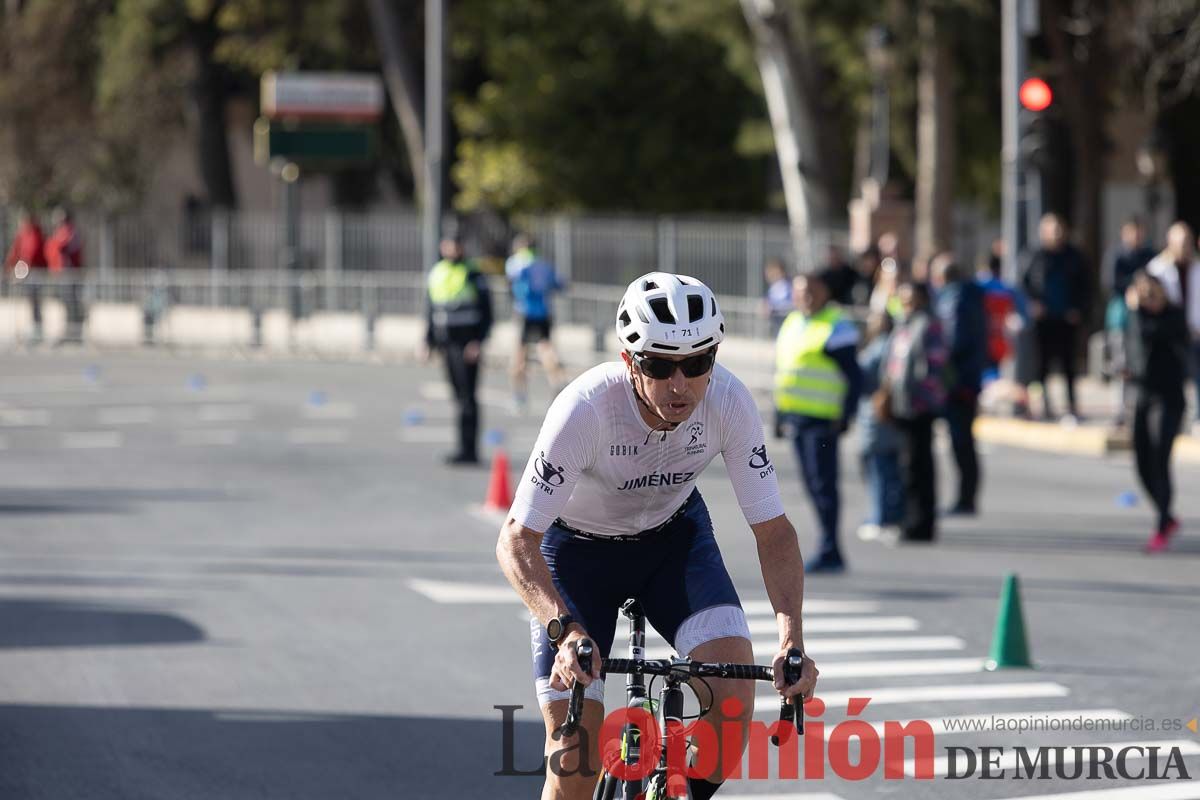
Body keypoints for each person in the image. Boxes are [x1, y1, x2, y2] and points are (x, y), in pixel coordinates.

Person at [496, 272, 819, 800]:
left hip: (673, 543)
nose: (680, 384)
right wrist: (563, 629)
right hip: (576, 555)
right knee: (574, 752)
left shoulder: (730, 403)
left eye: (697, 364)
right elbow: (515, 540)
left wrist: (791, 640)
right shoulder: (585, 409)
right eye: (659, 364)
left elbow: (774, 532)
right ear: (629, 360)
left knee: (733, 697)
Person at [774, 270, 862, 573]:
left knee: (824, 487)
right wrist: (779, 414)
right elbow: (786, 370)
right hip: (797, 416)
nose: (805, 297)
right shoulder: (793, 322)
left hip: (822, 419)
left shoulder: (836, 326)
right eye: (799, 292)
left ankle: (831, 548)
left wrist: (847, 414)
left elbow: (854, 376)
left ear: (825, 292)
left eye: (811, 291)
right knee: (812, 486)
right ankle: (827, 545)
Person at [1124, 272, 1190, 553]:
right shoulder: (1136, 318)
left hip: (1168, 398)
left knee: (1160, 459)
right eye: (1143, 293)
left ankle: (1162, 524)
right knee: (1142, 463)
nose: (1149, 298)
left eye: (1153, 292)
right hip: (1142, 396)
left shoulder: (1173, 317)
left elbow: (1158, 337)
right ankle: (1168, 515)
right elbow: (1133, 346)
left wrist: (1140, 311)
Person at [880, 281, 947, 542]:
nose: (907, 305)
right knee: (906, 467)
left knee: (919, 468)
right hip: (901, 405)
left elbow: (932, 367)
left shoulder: (928, 325)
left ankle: (921, 524)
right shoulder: (902, 326)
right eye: (903, 300)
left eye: (912, 300)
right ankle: (908, 519)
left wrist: (918, 396)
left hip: (918, 407)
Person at [422, 235, 492, 465]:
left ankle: (470, 450)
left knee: (467, 397)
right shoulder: (438, 272)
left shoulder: (472, 272)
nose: (451, 249)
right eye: (447, 245)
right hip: (447, 344)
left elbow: (486, 310)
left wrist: (478, 341)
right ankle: (462, 447)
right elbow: (432, 310)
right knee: (458, 396)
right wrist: (428, 341)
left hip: (466, 345)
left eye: (455, 245)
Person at [931, 253, 988, 515]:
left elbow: (953, 342)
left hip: (959, 382)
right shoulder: (967, 296)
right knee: (962, 440)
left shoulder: (955, 300)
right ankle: (966, 496)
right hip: (966, 379)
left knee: (961, 440)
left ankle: (966, 498)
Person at [1021, 213, 1091, 422]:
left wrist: (1078, 309)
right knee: (1040, 365)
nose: (1056, 235)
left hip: (1066, 318)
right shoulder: (1034, 255)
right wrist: (1033, 304)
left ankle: (1071, 404)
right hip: (1043, 320)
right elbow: (1023, 284)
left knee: (1069, 364)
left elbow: (1085, 286)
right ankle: (1042, 403)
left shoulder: (1074, 256)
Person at [1146, 222, 1200, 428]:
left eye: (1187, 242)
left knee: (1197, 377)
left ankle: (1197, 417)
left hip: (1195, 332)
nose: (1184, 248)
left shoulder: (1197, 267)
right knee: (1172, 379)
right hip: (1168, 335)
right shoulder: (1157, 268)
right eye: (1180, 243)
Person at [1103, 219, 1156, 426]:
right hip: (1122, 318)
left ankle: (1140, 407)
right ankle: (1120, 410)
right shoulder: (1116, 255)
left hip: (1146, 320)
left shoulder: (1149, 255)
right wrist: (1135, 283)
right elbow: (1110, 283)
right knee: (1121, 364)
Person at [855, 311, 903, 543]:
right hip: (883, 416)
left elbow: (865, 377)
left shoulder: (881, 346)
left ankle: (880, 517)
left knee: (879, 470)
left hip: (877, 416)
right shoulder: (891, 344)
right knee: (886, 470)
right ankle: (887, 515)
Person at [505, 234, 566, 411]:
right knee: (546, 349)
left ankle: (519, 395)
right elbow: (559, 284)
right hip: (543, 311)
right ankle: (557, 381)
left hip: (523, 311)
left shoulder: (516, 262)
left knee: (519, 353)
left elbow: (511, 284)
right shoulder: (544, 264)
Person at [3, 209, 48, 344]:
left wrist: (23, 268)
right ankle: (31, 330)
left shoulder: (35, 233)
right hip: (26, 272)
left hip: (34, 273)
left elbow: (31, 253)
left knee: (35, 301)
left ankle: (37, 330)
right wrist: (9, 266)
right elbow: (16, 251)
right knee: (30, 301)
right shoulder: (23, 234)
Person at [45, 207, 86, 344]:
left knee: (72, 304)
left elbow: (61, 247)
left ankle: (74, 334)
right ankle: (70, 332)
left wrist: (53, 244)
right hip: (62, 274)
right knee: (66, 304)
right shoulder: (61, 232)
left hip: (69, 274)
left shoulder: (69, 232)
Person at [762, 257, 792, 337]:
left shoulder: (787, 286)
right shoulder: (773, 287)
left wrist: (774, 308)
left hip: (785, 323)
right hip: (775, 323)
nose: (768, 275)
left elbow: (790, 303)